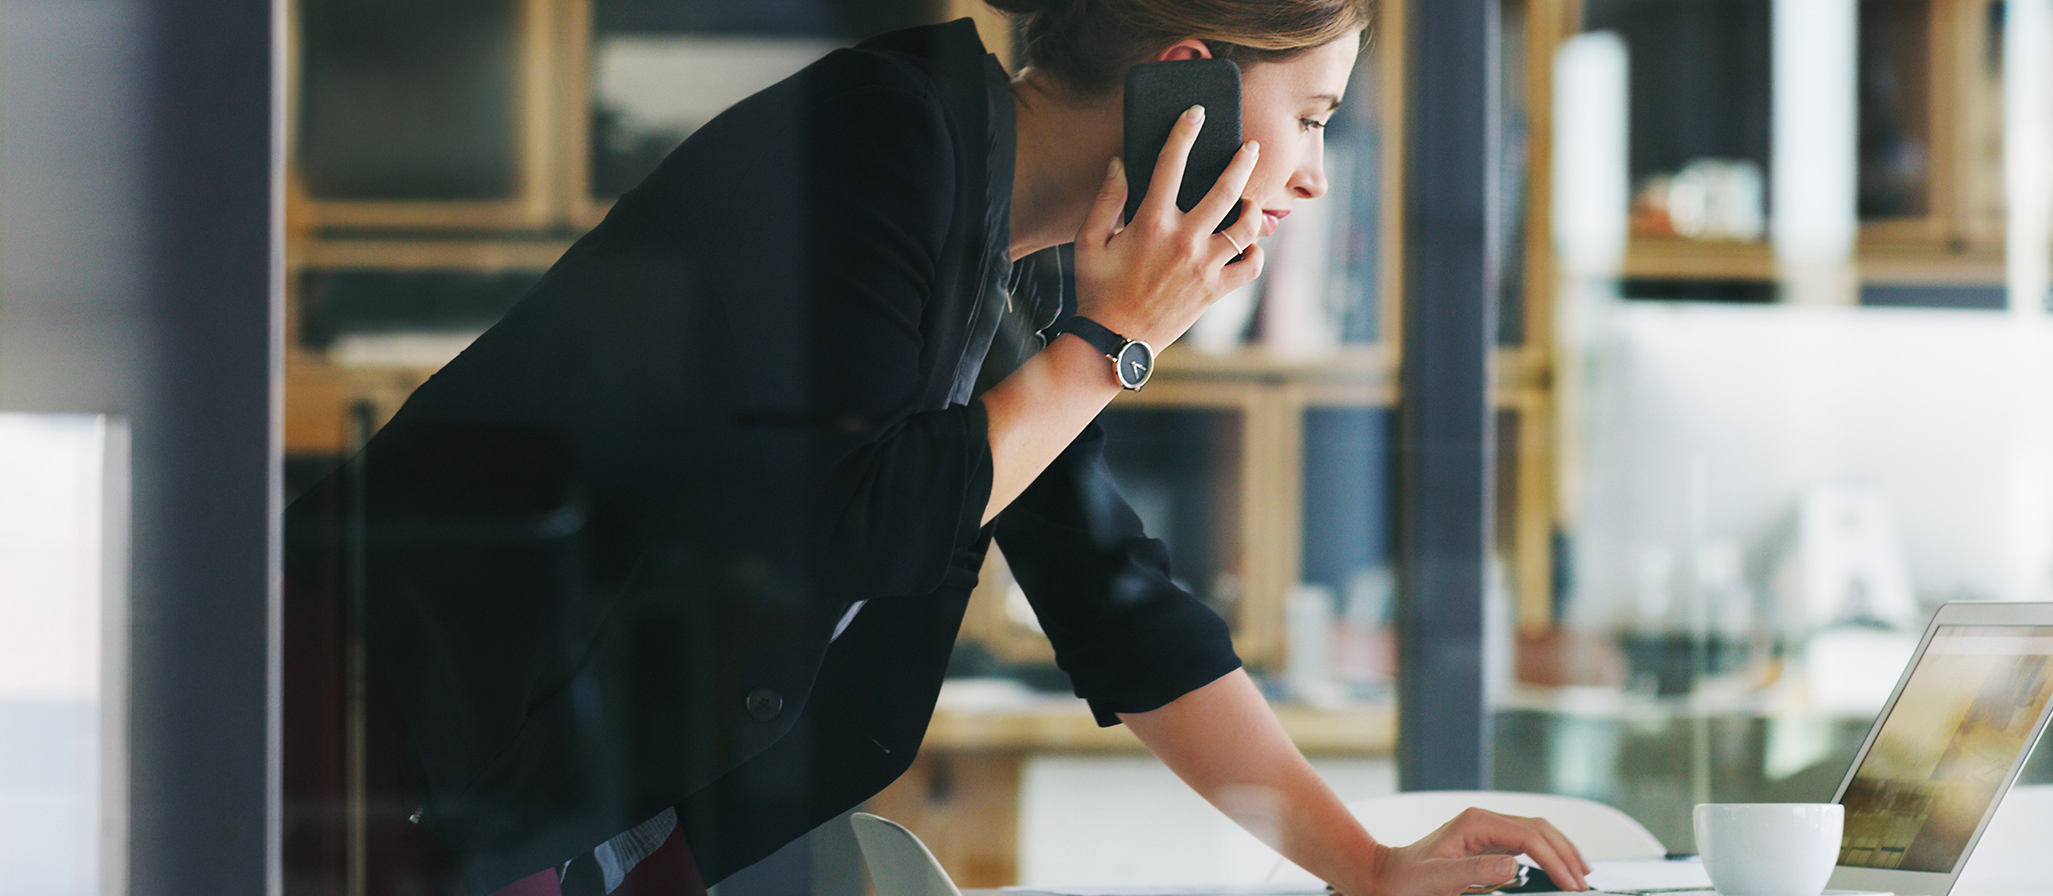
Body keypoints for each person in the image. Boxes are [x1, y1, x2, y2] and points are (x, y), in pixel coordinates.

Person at [285, 2, 1594, 894]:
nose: (1313, 176)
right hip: (391, 738)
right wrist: (1115, 342)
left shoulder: (1002, 256)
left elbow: (1114, 600)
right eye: (1311, 117)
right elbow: (856, 515)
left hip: (554, 788)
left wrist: (1362, 865)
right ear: (1187, 72)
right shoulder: (878, 146)